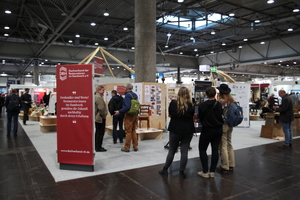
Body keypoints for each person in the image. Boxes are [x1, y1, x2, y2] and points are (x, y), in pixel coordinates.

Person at [158, 87, 194, 179]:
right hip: (187, 130)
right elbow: (193, 116)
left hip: (175, 129)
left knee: (172, 151)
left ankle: (165, 169)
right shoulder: (191, 104)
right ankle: (181, 172)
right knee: (184, 151)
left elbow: (170, 115)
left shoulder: (173, 103)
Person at [197, 87, 223, 178]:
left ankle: (205, 171)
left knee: (202, 149)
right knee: (215, 149)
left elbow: (200, 117)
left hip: (207, 129)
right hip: (218, 129)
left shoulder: (202, 105)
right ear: (215, 94)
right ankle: (212, 171)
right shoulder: (219, 104)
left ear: (206, 94)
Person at [114, 83, 139, 152]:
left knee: (128, 131)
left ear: (126, 88)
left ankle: (127, 147)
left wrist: (120, 111)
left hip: (129, 115)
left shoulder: (127, 95)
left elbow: (127, 106)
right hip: (135, 114)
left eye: (124, 88)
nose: (124, 89)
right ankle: (135, 146)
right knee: (133, 130)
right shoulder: (135, 95)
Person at [217, 84, 235, 174]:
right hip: (230, 124)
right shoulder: (232, 101)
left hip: (223, 125)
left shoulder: (221, 102)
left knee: (223, 145)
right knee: (229, 143)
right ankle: (231, 164)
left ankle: (225, 166)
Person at [94, 85, 108, 152]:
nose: (103, 91)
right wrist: (104, 115)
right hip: (100, 118)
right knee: (100, 133)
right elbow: (101, 109)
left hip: (97, 118)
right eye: (102, 90)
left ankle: (97, 146)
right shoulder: (98, 98)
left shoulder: (95, 97)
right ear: (99, 90)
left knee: (98, 132)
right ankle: (98, 147)